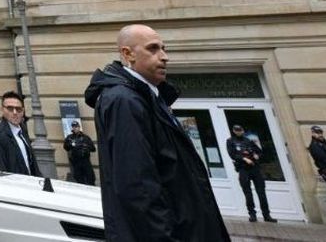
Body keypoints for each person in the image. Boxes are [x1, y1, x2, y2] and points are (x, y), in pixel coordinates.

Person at [83, 24, 228, 242]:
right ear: (127, 54)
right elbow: (138, 188)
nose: (164, 57)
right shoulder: (124, 101)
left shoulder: (148, 96)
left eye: (163, 48)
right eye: (153, 49)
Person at [226, 123, 275, 223]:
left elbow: (259, 151)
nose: (239, 132)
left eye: (240, 130)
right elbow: (232, 154)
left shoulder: (248, 140)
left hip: (254, 168)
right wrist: (244, 159)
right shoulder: (230, 141)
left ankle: (267, 215)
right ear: (234, 131)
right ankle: (252, 214)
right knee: (248, 193)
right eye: (237, 130)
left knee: (261, 192)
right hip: (243, 169)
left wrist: (257, 155)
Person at [0, 91, 41, 177]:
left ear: (23, 111)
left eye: (18, 109)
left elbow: (30, 163)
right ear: (2, 110)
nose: (15, 112)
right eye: (10, 109)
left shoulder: (22, 130)